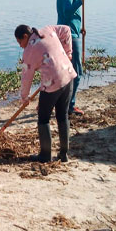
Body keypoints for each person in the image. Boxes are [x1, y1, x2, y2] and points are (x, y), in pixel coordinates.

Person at [14, 24, 77, 162]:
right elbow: (66, 30)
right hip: (68, 75)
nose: (20, 46)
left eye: (20, 42)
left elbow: (26, 78)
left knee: (43, 118)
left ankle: (45, 155)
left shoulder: (29, 51)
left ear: (25, 36)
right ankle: (64, 154)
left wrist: (24, 97)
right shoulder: (48, 30)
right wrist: (68, 53)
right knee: (62, 115)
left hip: (52, 84)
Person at [57, 0, 88, 115]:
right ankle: (69, 105)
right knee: (76, 72)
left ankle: (61, 103)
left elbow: (69, 15)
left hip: (71, 32)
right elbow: (67, 12)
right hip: (69, 35)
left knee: (64, 71)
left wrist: (79, 26)